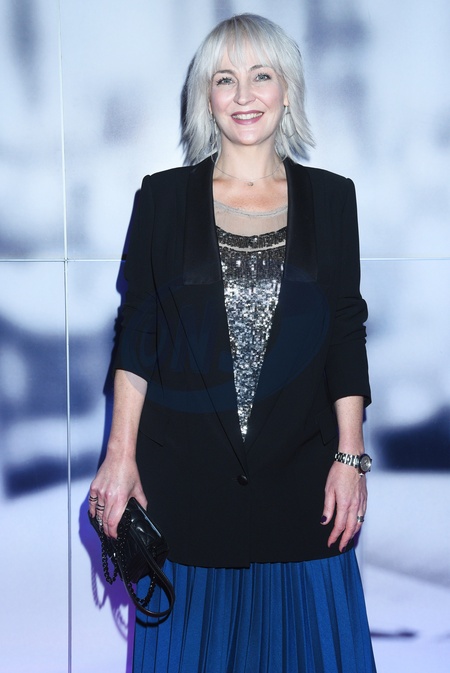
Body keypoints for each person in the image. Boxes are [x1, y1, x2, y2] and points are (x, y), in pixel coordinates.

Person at [89, 13, 377, 673]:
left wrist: (351, 456)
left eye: (261, 76)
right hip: (187, 493)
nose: (244, 95)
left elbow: (344, 328)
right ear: (206, 96)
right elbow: (138, 334)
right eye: (225, 79)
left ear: (287, 89)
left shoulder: (333, 200)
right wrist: (119, 456)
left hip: (303, 489)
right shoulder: (163, 199)